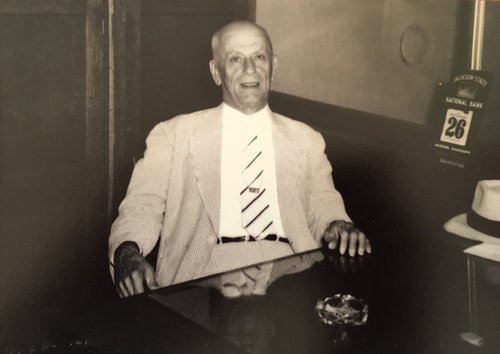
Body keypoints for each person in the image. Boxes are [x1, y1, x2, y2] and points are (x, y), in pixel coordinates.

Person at [109, 20, 371, 298]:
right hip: (203, 280)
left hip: (291, 274)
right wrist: (127, 252)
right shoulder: (172, 134)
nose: (250, 69)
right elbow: (141, 208)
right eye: (235, 59)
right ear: (216, 72)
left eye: (259, 57)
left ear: (274, 66)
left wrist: (337, 224)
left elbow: (323, 205)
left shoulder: (306, 139)